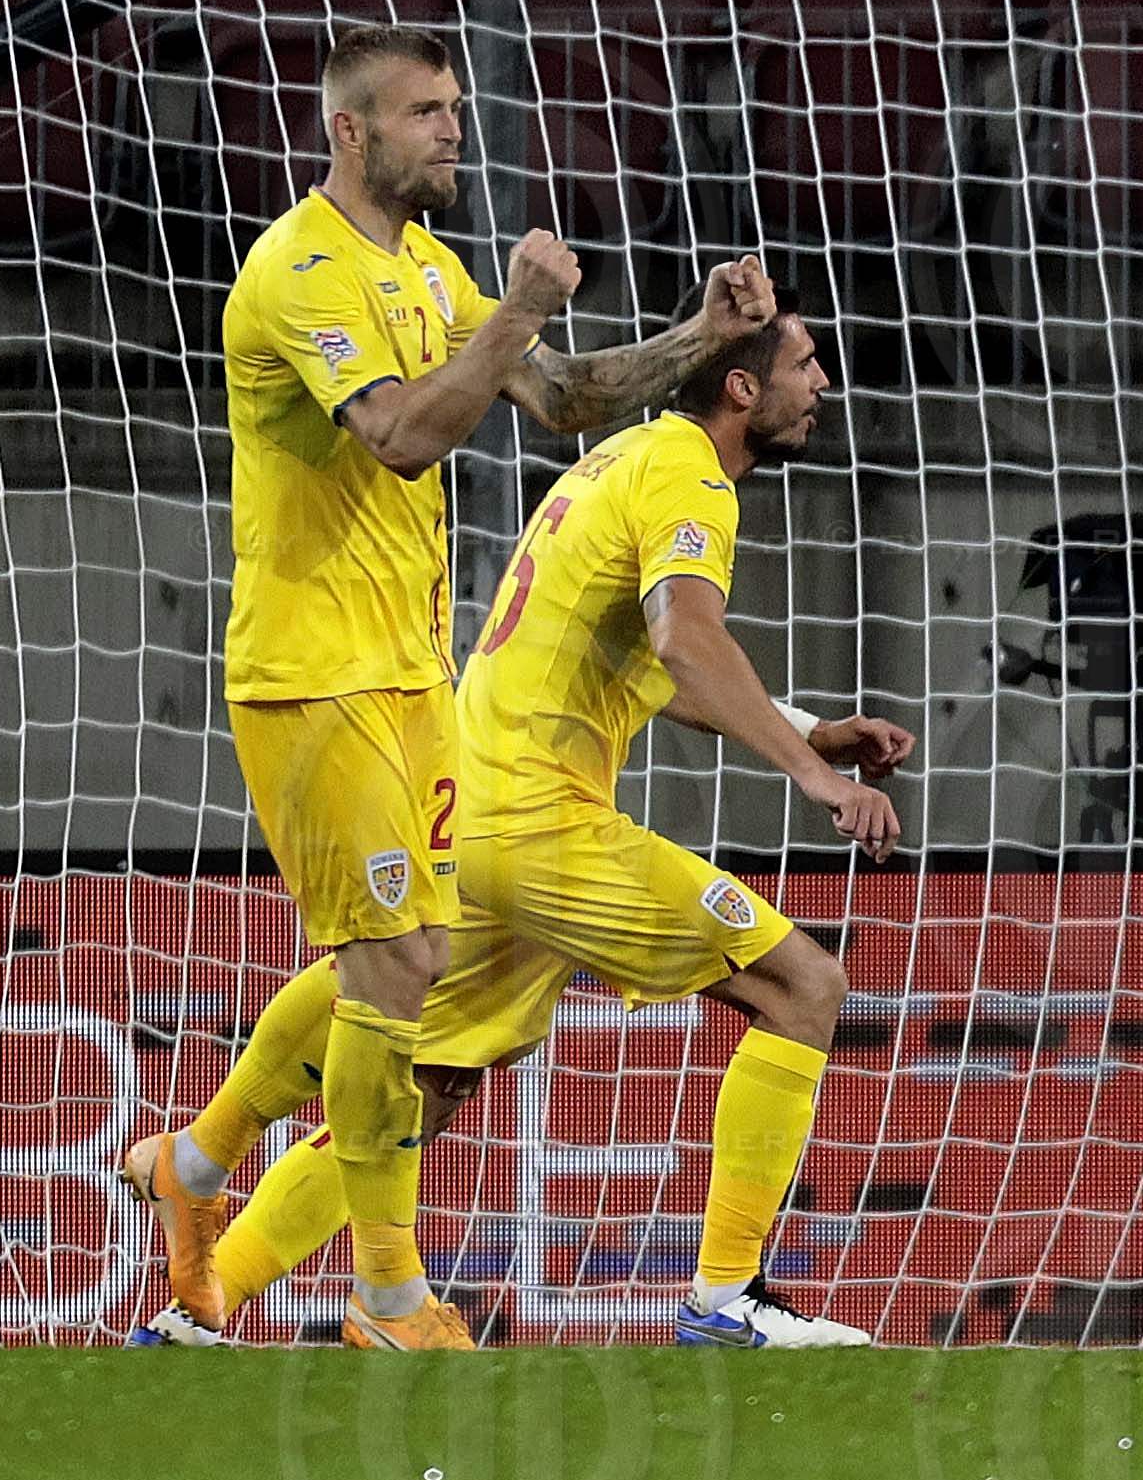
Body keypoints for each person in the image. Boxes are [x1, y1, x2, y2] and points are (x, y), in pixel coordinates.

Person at [126, 22, 777, 1350]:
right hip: (311, 675)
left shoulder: (426, 266)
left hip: (413, 670)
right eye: (425, 111)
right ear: (350, 132)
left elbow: (563, 399)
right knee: (400, 970)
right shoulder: (297, 272)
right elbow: (406, 437)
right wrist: (521, 309)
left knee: (400, 961)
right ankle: (386, 1297)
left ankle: (192, 1170)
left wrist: (697, 334)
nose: (452, 130)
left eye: (456, 108)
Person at [183, 314, 911, 1348]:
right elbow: (687, 639)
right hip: (539, 817)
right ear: (743, 391)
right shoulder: (691, 473)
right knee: (802, 983)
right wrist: (813, 778)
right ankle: (727, 1296)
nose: (823, 382)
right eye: (803, 364)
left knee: (420, 1088)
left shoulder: (620, 456)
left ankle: (200, 1305)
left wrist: (814, 729)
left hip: (468, 812)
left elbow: (642, 659)